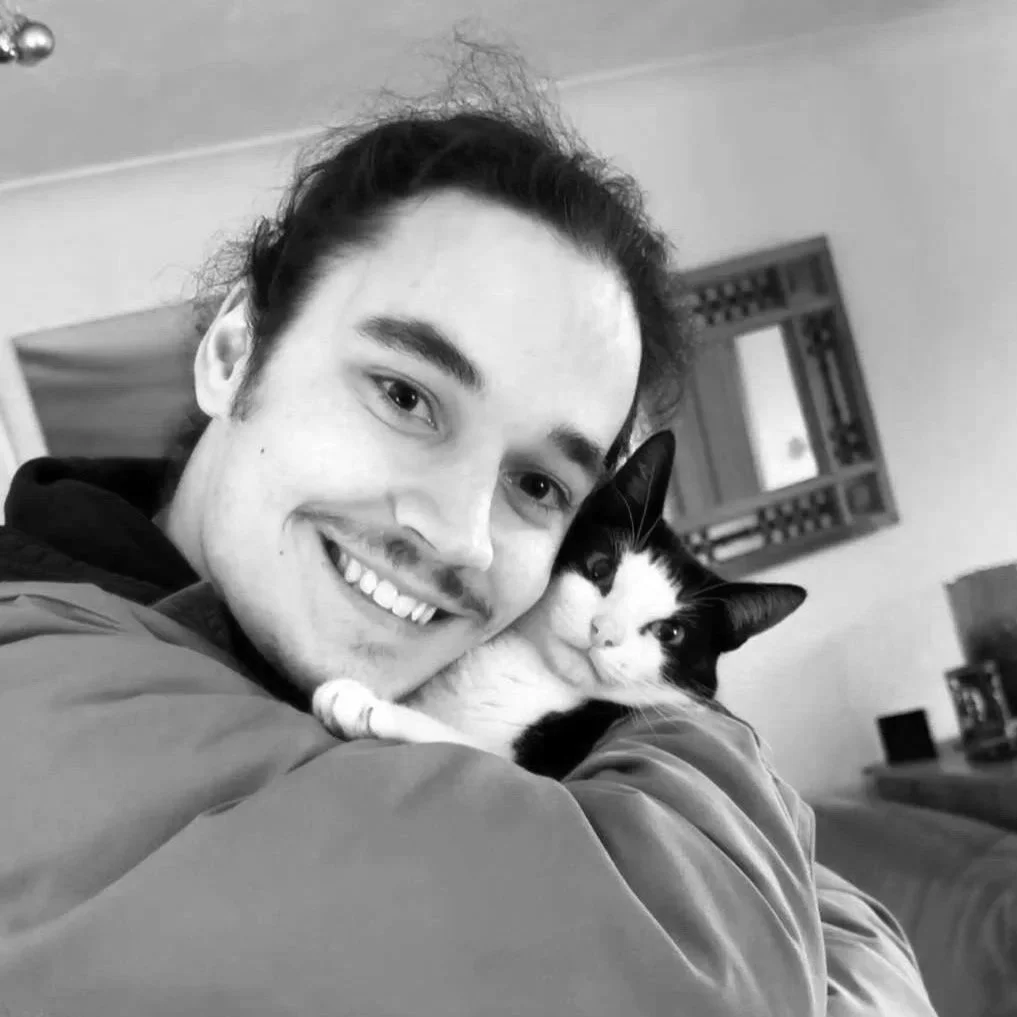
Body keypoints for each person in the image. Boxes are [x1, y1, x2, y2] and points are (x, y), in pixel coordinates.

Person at [0, 42, 935, 1017]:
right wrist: (704, 749)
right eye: (405, 395)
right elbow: (714, 982)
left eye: (536, 482)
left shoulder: (268, 654)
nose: (461, 539)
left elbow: (843, 931)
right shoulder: (36, 685)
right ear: (235, 350)